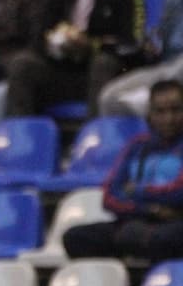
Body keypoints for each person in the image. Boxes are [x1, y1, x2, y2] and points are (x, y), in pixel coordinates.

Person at [5, 0, 148, 117]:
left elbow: (132, 44)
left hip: (113, 75)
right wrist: (57, 46)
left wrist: (91, 46)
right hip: (65, 74)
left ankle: (96, 135)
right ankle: (22, 135)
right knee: (22, 63)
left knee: (102, 62)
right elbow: (40, 40)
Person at [63, 78, 183, 262]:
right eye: (160, 111)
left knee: (167, 237)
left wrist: (136, 190)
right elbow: (110, 196)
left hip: (174, 224)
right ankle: (136, 244)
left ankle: (137, 244)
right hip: (138, 220)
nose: (169, 118)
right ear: (150, 115)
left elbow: (178, 193)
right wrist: (151, 209)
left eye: (176, 110)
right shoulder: (136, 146)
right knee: (75, 237)